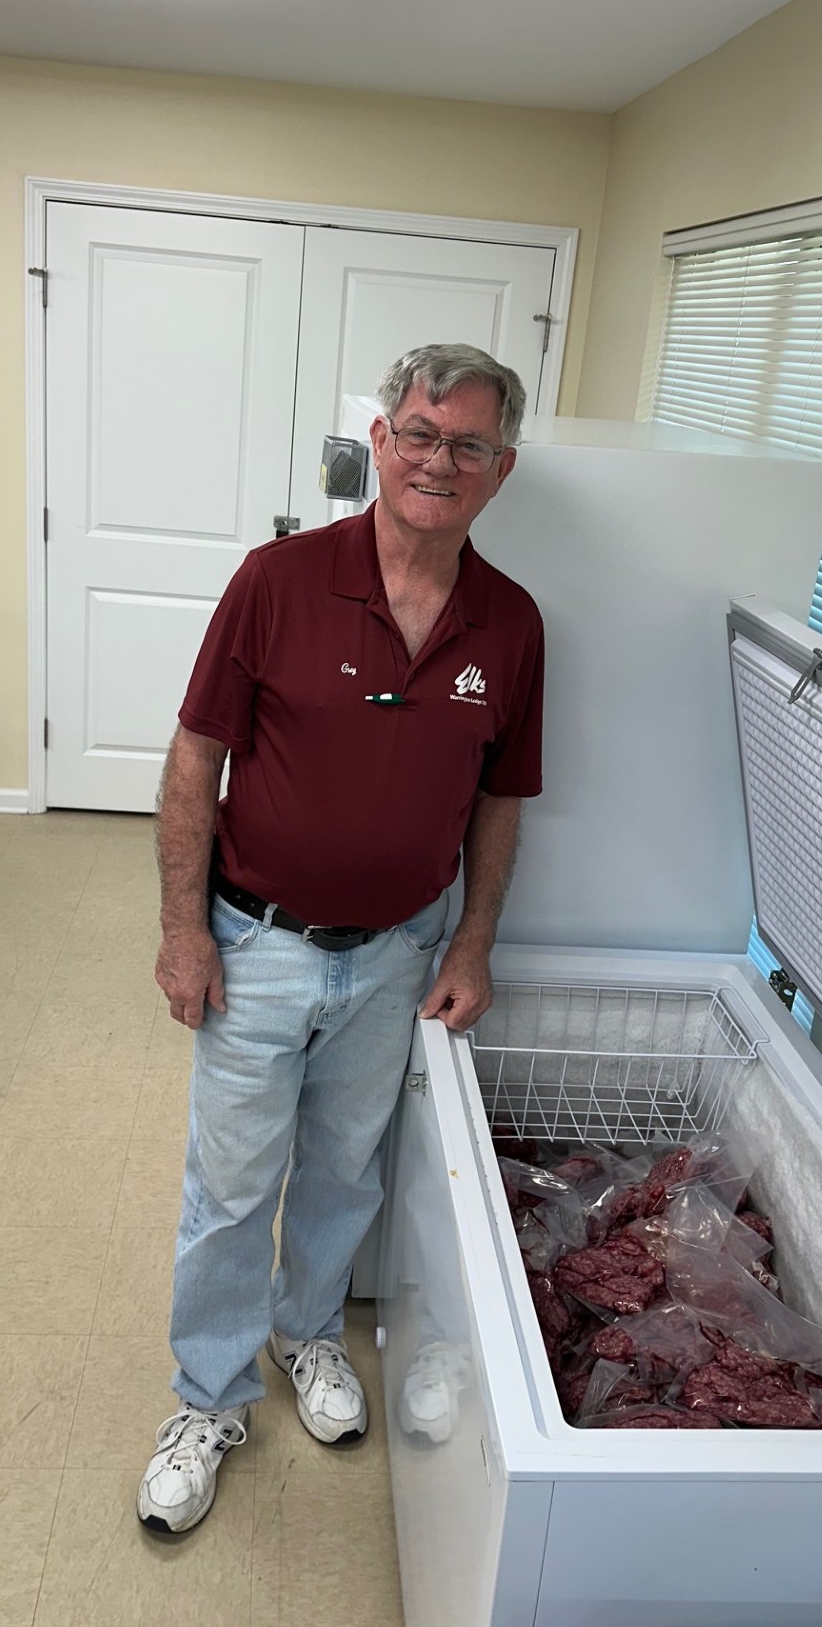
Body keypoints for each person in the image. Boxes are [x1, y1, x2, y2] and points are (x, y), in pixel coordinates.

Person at [138, 342, 544, 1533]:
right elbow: (194, 761)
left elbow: (500, 799)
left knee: (343, 1170)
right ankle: (209, 1398)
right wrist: (182, 930)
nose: (438, 461)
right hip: (255, 944)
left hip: (399, 954)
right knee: (231, 1188)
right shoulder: (277, 581)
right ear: (380, 441)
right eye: (419, 433)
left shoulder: (512, 624)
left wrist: (471, 943)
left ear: (501, 469)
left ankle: (307, 1333)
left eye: (468, 444)